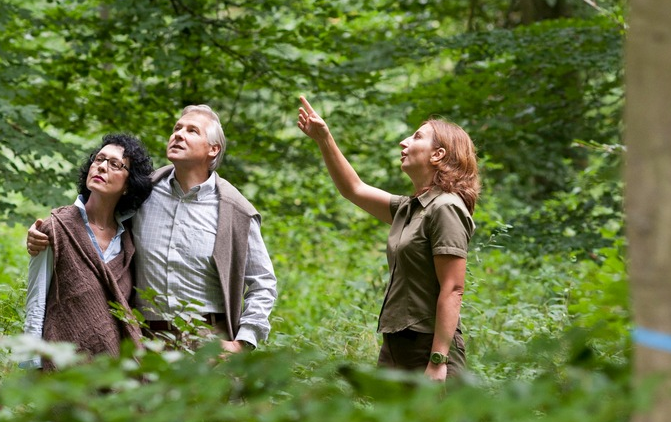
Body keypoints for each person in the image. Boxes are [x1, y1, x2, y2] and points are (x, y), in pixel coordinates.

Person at [28, 105, 277, 353]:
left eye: (192, 131)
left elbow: (263, 282)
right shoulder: (144, 193)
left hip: (209, 341)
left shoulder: (236, 212)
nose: (178, 134)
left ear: (213, 150)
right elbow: (94, 217)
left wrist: (243, 343)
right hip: (146, 341)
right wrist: (45, 232)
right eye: (177, 128)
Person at [296, 96, 479, 381]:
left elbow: (454, 288)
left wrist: (438, 359)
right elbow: (353, 189)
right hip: (397, 345)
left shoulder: (445, 207)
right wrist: (324, 139)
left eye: (417, 137)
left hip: (428, 347)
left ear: (438, 155)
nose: (403, 142)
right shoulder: (410, 208)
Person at [23, 133, 155, 369]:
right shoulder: (55, 227)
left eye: (114, 164)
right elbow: (36, 302)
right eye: (99, 159)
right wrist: (31, 364)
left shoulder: (129, 240)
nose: (102, 167)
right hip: (62, 365)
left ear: (128, 185)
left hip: (116, 370)